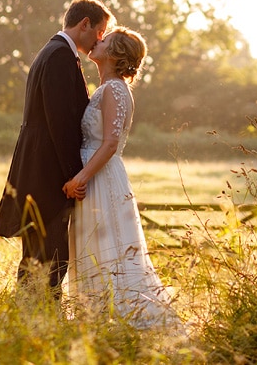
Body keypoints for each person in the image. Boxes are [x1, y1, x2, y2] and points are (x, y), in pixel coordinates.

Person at [0, 0, 113, 292]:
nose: (100, 39)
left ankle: (31, 315)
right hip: (47, 172)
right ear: (85, 24)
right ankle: (39, 315)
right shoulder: (59, 56)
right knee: (51, 253)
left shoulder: (54, 51)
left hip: (39, 166)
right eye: (100, 31)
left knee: (39, 253)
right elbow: (61, 124)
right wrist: (75, 175)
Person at [62, 27, 180, 329]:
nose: (97, 41)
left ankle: (126, 319)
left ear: (113, 55)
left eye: (104, 40)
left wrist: (82, 177)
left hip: (99, 176)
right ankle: (98, 318)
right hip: (98, 173)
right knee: (96, 244)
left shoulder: (115, 89)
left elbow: (111, 143)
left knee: (109, 244)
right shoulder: (108, 87)